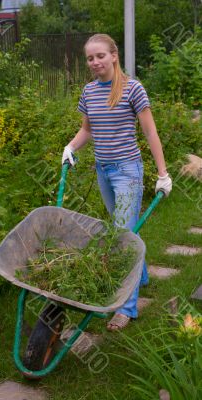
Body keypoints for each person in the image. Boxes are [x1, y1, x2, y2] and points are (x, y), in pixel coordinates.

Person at [61, 34, 172, 331]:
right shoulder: (89, 91)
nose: (95, 62)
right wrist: (71, 147)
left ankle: (126, 307)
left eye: (100, 56)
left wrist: (163, 174)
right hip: (103, 170)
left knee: (122, 237)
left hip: (128, 172)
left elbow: (150, 133)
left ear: (114, 56)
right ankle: (142, 275)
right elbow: (88, 130)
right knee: (123, 229)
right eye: (89, 58)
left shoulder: (133, 89)